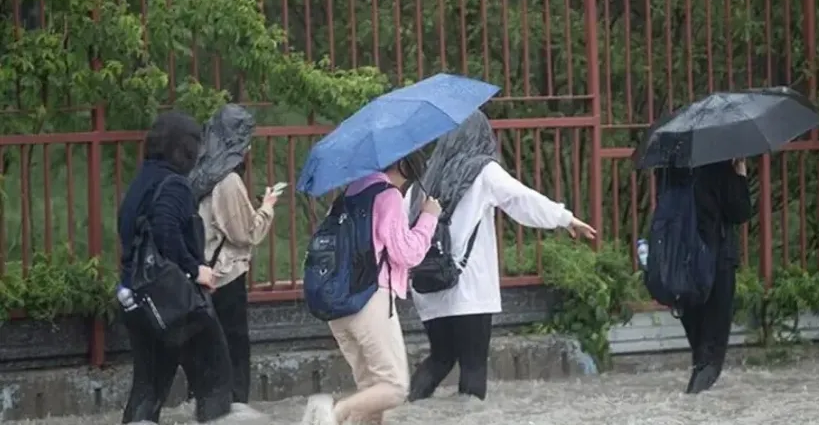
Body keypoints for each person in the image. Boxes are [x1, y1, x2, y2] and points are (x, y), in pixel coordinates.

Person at [405, 111, 597, 402]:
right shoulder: (483, 171)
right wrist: (565, 218)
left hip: (427, 283)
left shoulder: (428, 174)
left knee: (441, 358)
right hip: (468, 286)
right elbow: (521, 199)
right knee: (473, 364)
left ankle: (408, 411)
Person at [301, 150, 441, 425]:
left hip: (339, 305)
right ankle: (333, 412)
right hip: (370, 301)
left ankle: (338, 415)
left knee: (371, 395)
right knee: (394, 386)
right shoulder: (387, 195)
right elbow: (406, 253)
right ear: (403, 163)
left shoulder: (347, 196)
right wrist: (429, 217)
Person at [117, 111, 233, 424]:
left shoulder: (140, 183)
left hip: (135, 298)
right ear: (183, 149)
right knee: (215, 377)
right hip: (174, 303)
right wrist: (196, 270)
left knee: (148, 386)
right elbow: (166, 229)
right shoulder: (174, 186)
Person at [187, 104, 280, 414]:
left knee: (210, 343)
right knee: (235, 343)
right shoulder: (228, 181)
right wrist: (267, 206)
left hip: (202, 270)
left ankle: (208, 403)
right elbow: (246, 233)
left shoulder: (199, 171)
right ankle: (234, 407)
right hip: (226, 273)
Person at [673, 158, 752, 394]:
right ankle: (694, 403)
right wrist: (740, 175)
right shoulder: (719, 167)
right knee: (712, 351)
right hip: (717, 264)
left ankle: (695, 397)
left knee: (700, 347)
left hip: (682, 264)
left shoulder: (671, 167)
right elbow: (741, 212)